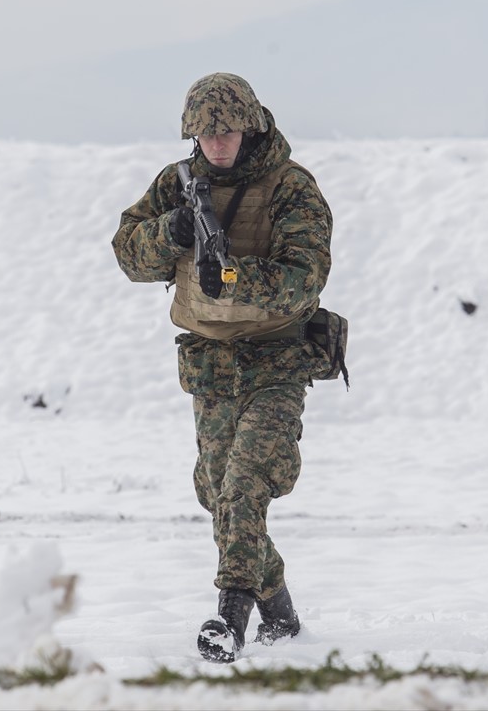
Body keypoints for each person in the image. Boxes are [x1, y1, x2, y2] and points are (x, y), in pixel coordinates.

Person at [111, 73, 334, 662]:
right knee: (217, 494)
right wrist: (168, 234)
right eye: (205, 135)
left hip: (277, 361)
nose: (217, 145)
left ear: (250, 125)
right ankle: (281, 617)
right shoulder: (178, 185)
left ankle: (229, 617)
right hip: (211, 364)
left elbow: (304, 278)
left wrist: (233, 274)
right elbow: (127, 254)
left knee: (243, 486)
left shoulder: (291, 187)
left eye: (227, 132)